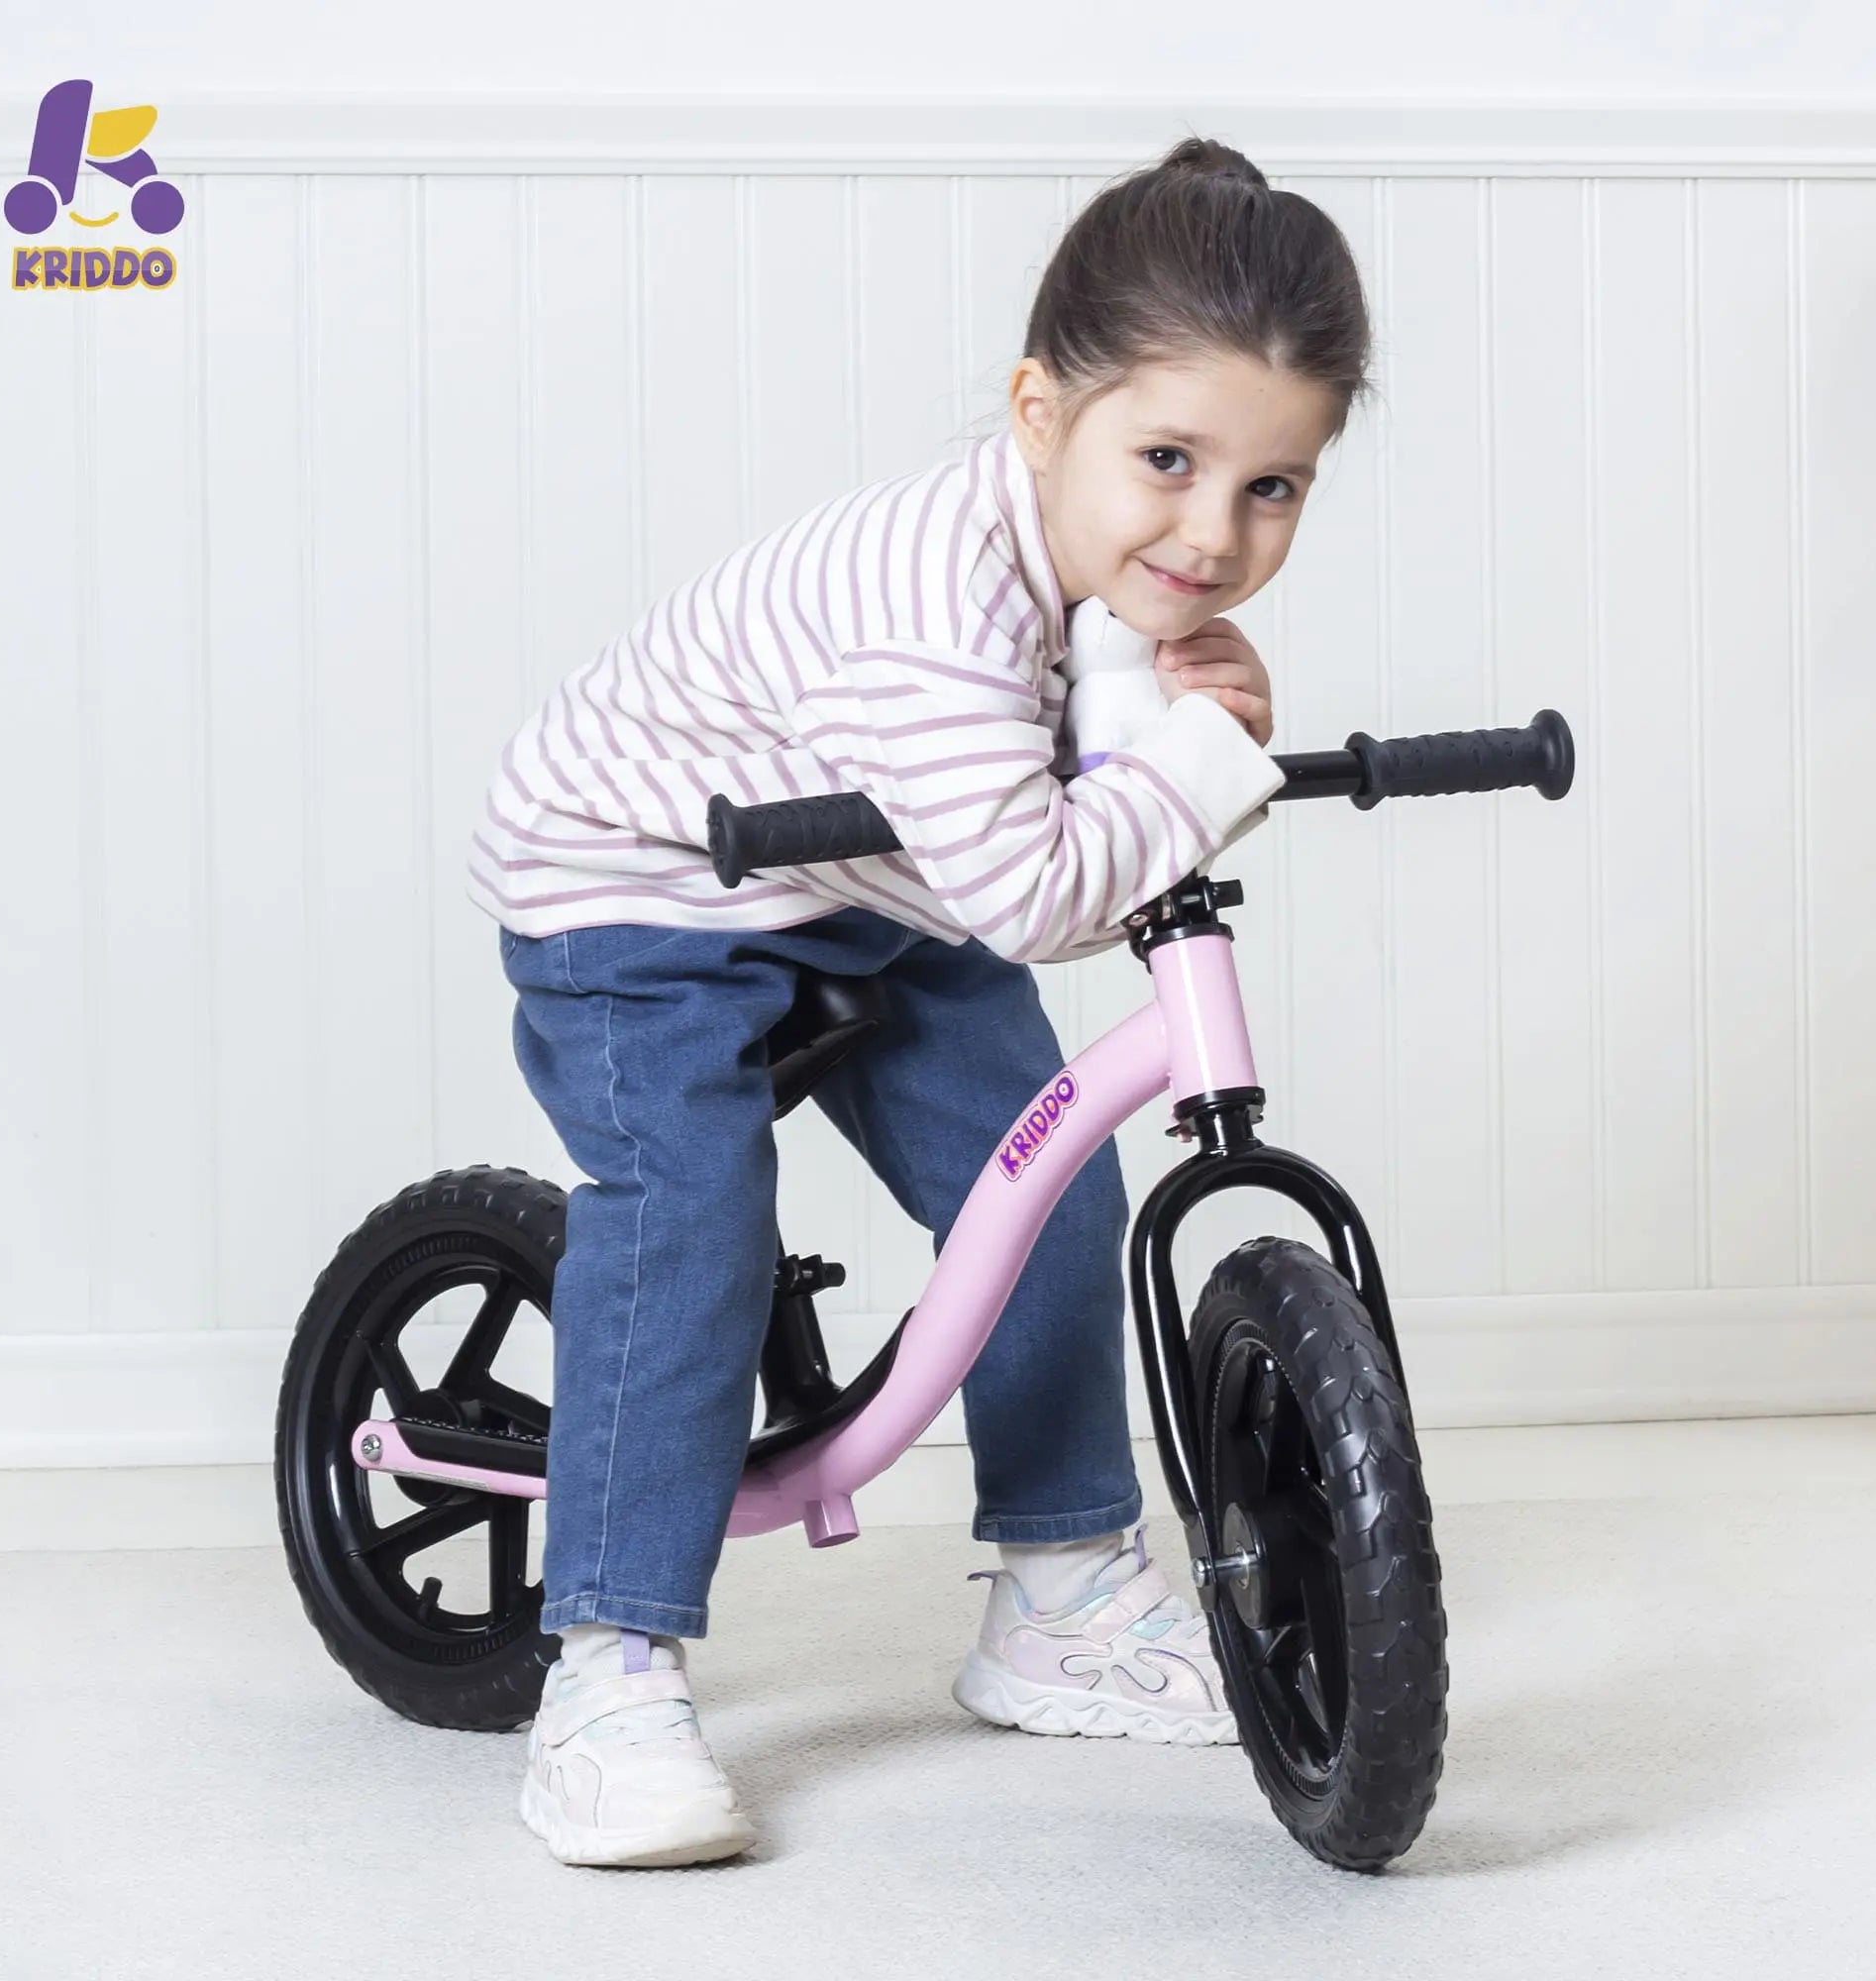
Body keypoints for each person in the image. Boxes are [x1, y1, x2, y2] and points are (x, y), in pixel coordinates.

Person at [469, 135, 1374, 1868]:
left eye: (1274, 487)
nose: (1212, 530)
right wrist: (1202, 764)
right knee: (691, 1221)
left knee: (1039, 1167)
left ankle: (1058, 1589)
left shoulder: (1096, 570)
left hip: (861, 877)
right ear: (1041, 412)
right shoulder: (933, 611)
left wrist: (1190, 730)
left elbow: (1083, 806)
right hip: (643, 884)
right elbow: (1037, 891)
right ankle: (605, 1669)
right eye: (1167, 460)